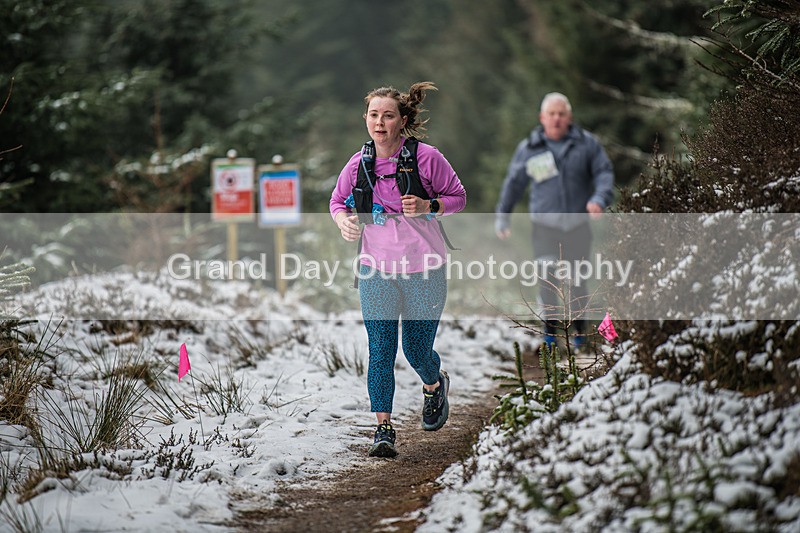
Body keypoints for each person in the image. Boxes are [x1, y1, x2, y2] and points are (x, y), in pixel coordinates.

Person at [330, 81, 466, 458]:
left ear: (402, 120)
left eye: (388, 115)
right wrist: (343, 222)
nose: (380, 121)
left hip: (425, 268)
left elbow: (458, 197)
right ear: (366, 120)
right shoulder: (359, 164)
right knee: (380, 350)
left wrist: (429, 207)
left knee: (417, 350)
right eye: (373, 115)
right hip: (375, 270)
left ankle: (434, 384)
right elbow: (337, 201)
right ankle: (383, 429)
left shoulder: (427, 158)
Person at [495, 92, 614, 349]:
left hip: (577, 226)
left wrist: (599, 198)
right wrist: (502, 216)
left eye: (561, 114)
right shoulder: (529, 148)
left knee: (577, 280)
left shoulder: (587, 144)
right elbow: (513, 184)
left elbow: (603, 172)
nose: (557, 119)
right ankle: (550, 335)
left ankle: (580, 334)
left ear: (569, 117)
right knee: (548, 278)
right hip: (544, 228)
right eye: (552, 114)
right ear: (542, 118)